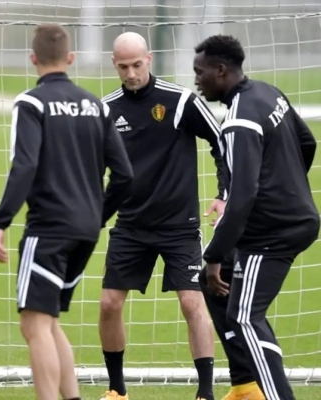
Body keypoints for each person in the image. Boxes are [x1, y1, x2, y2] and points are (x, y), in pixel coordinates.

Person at [0, 23, 134, 400]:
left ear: (33, 59)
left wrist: (1, 221)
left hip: (49, 229)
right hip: (85, 230)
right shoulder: (96, 105)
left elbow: (25, 165)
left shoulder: (31, 103)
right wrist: (96, 215)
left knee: (34, 326)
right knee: (49, 322)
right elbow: (125, 175)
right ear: (70, 58)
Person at [98, 32, 226, 400]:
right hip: (130, 225)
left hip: (179, 226)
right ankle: (117, 390)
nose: (131, 73)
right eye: (124, 66)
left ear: (149, 59)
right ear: (114, 65)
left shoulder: (180, 100)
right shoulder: (106, 109)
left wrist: (224, 193)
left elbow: (222, 142)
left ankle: (205, 392)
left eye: (137, 65)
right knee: (109, 303)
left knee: (192, 302)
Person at [195, 34, 319, 400]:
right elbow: (307, 142)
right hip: (293, 219)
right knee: (223, 295)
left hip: (271, 233)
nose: (197, 80)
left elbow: (243, 197)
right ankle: (248, 386)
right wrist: (287, 188)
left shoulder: (238, 122)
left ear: (221, 70)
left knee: (245, 317)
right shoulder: (268, 92)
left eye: (200, 72)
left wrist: (214, 256)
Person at [198, 249, 265, 400]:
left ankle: (251, 385)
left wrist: (214, 254)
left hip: (264, 242)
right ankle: (245, 385)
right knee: (218, 283)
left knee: (247, 312)